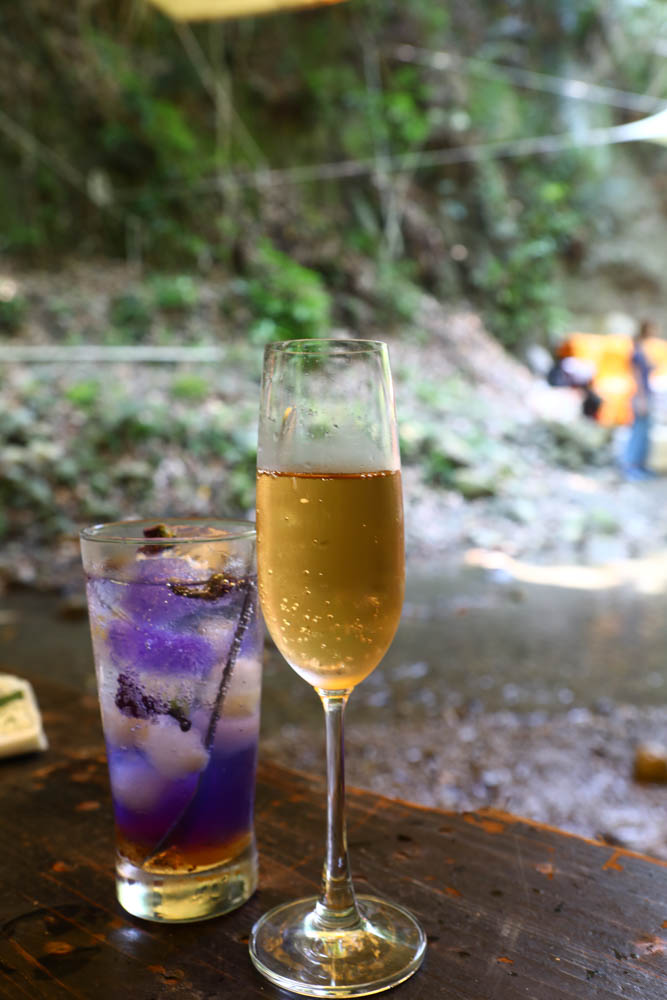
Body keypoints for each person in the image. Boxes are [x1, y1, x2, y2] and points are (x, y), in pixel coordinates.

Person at [623, 319, 657, 481]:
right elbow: (636, 377)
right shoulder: (636, 351)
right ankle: (631, 467)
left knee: (645, 433)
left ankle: (641, 465)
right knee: (638, 432)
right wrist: (641, 399)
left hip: (646, 394)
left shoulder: (643, 349)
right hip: (640, 396)